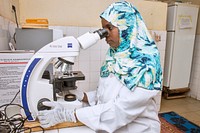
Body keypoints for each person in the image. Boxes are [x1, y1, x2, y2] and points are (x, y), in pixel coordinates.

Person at [38, 1, 163, 133]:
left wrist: (69, 115)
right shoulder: (115, 56)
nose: (105, 34)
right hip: (114, 126)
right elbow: (105, 95)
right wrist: (81, 96)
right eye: (104, 29)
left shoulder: (146, 63)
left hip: (138, 129)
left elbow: (120, 110)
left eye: (109, 28)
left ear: (127, 26)